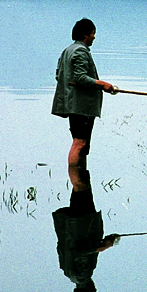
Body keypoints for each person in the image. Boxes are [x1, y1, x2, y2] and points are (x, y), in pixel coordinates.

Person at [52, 18, 117, 192]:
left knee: (83, 143)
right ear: (85, 34)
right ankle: (78, 184)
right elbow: (79, 77)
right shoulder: (80, 51)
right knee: (79, 143)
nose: (94, 37)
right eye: (93, 33)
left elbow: (60, 76)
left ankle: (81, 181)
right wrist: (102, 84)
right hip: (81, 106)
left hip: (76, 105)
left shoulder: (68, 50)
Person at [52, 186, 119, 292]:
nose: (95, 288)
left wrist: (101, 247)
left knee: (80, 184)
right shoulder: (68, 273)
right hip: (72, 223)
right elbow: (61, 248)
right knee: (81, 184)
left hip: (82, 223)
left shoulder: (83, 276)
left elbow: (78, 252)